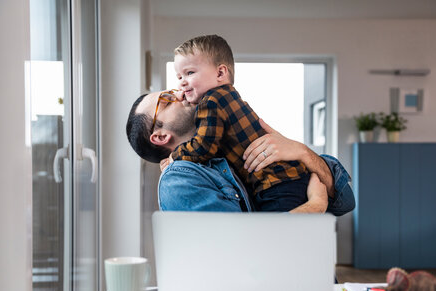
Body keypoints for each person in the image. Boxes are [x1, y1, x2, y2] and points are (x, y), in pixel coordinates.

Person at [126, 90, 355, 216]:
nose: (180, 93)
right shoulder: (179, 180)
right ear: (160, 136)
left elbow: (344, 200)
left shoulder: (228, 149)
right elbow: (244, 248)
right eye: (166, 100)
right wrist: (315, 206)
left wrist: (303, 152)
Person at [166, 34, 310, 212]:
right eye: (179, 77)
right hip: (287, 179)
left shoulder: (210, 102)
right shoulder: (230, 96)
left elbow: (203, 147)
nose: (182, 83)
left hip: (275, 185)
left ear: (220, 73)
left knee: (278, 236)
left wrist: (175, 155)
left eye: (190, 73)